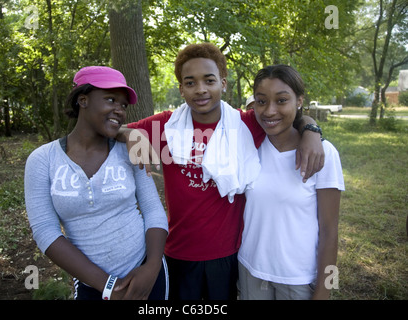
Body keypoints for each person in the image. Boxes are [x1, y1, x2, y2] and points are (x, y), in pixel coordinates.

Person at [120, 43, 325, 300]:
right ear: (181, 88)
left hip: (227, 253)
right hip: (178, 251)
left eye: (209, 80)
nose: (201, 89)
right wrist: (128, 133)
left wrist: (311, 130)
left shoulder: (246, 123)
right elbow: (115, 129)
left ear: (223, 83)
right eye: (190, 83)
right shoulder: (165, 126)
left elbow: (291, 116)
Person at [24, 66, 169, 300]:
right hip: (93, 285)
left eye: (123, 105)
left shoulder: (130, 150)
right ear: (83, 100)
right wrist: (109, 287)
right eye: (110, 100)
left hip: (145, 273)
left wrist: (151, 268)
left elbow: (153, 210)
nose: (119, 110)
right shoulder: (43, 160)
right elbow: (45, 231)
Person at [238, 64, 345, 300]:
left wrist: (324, 292)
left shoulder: (323, 153)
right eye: (262, 101)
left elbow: (330, 230)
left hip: (298, 279)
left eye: (282, 100)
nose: (269, 111)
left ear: (299, 101)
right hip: (251, 271)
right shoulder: (247, 146)